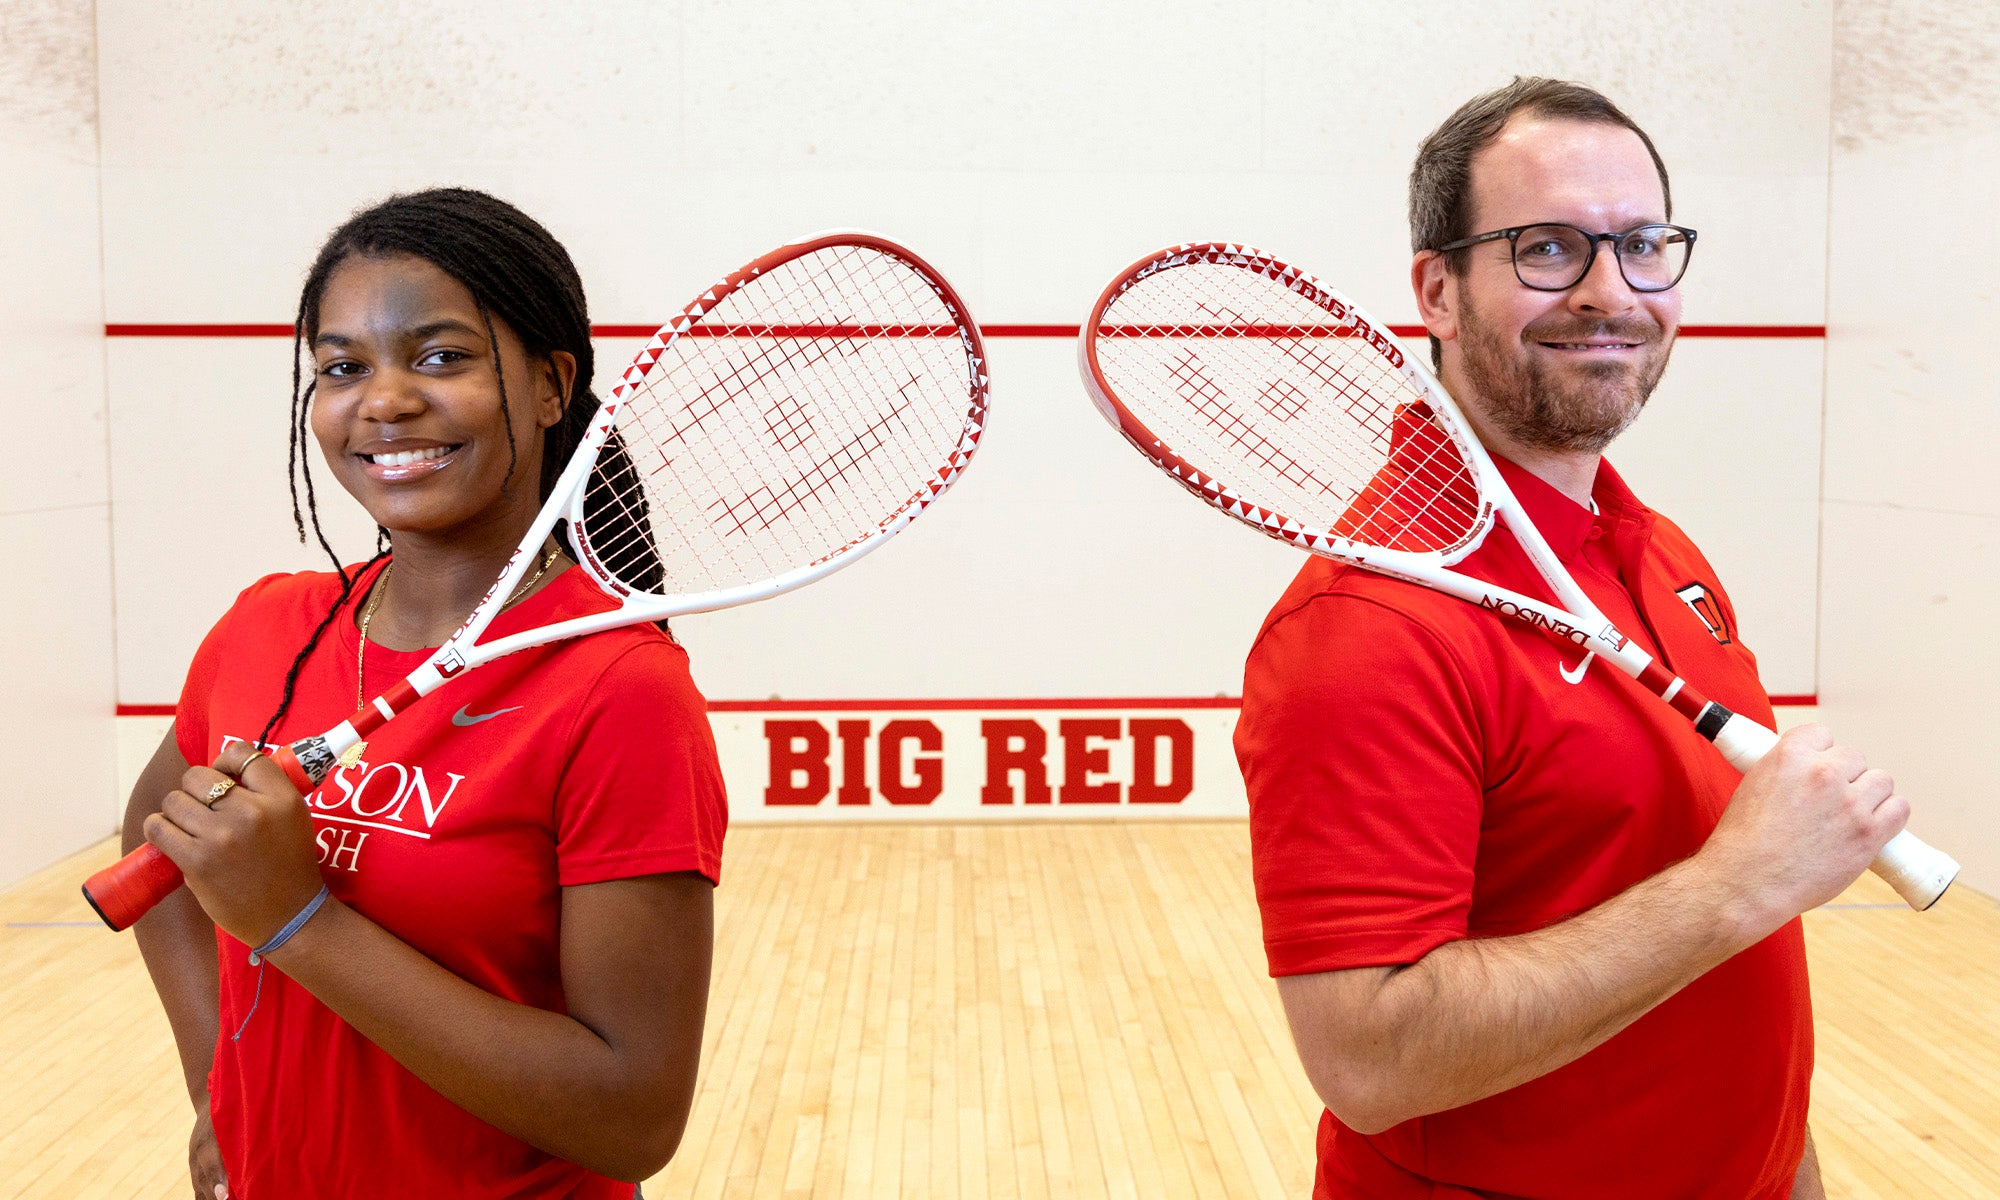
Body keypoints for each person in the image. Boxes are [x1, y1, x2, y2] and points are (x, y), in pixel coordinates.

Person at [1234, 79, 1907, 1199]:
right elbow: (1369, 1057)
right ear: (1436, 290)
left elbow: (1735, 999)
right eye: (1546, 247)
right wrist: (1736, 885)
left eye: (1642, 245)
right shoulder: (1364, 630)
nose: (1610, 292)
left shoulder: (1662, 554)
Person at [123, 188, 728, 1200]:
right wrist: (216, 1092)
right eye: (341, 366)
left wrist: (295, 920)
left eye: (439, 357)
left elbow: (632, 1117)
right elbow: (157, 835)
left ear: (549, 384)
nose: (384, 400)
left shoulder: (621, 694)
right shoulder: (265, 628)